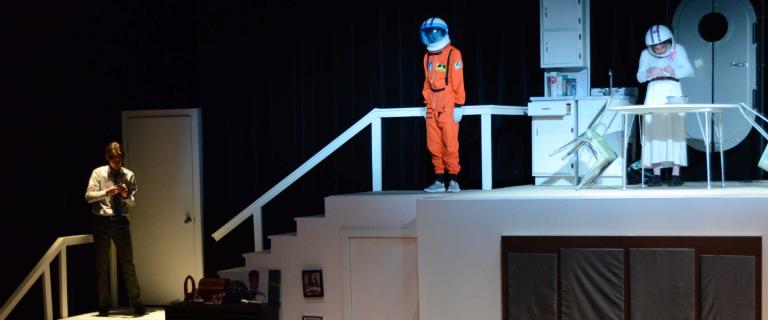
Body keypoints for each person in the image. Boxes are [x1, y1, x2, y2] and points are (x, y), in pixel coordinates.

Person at [85, 141, 145, 317]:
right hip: (101, 221)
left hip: (120, 221)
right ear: (108, 159)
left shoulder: (129, 175)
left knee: (128, 264)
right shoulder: (98, 173)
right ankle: (103, 305)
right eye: (115, 161)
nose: (118, 164)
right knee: (102, 265)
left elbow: (133, 202)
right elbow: (88, 196)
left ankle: (137, 303)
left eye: (120, 161)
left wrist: (126, 195)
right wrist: (107, 192)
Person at [636, 24, 693, 187]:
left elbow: (688, 70)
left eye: (663, 47)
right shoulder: (645, 54)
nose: (660, 50)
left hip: (673, 90)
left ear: (669, 42)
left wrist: (671, 71)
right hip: (654, 90)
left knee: (676, 130)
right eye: (657, 48)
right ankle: (656, 175)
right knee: (654, 131)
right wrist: (649, 72)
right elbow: (639, 77)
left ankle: (676, 174)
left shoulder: (679, 49)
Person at [420, 17, 466, 193]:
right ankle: (439, 180)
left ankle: (453, 180)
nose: (432, 36)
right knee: (433, 143)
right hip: (432, 101)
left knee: (450, 142)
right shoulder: (427, 57)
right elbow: (426, 82)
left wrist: (459, 105)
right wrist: (426, 103)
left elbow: (458, 81)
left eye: (435, 32)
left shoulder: (453, 54)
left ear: (442, 32)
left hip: (448, 101)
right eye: (428, 33)